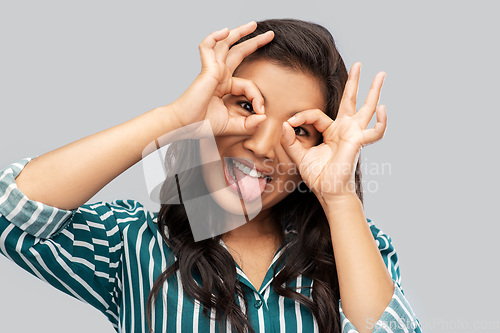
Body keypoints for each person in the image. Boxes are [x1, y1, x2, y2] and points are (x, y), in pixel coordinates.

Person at [0, 19, 421, 333]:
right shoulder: (132, 243)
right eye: (246, 106)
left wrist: (339, 197)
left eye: (300, 130)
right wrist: (175, 119)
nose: (261, 145)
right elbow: (11, 209)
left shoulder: (357, 253)